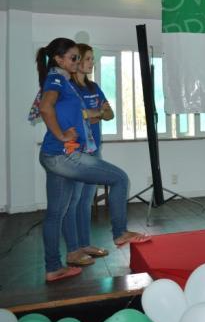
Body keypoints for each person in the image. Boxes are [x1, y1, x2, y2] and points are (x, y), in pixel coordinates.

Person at [36, 38, 149, 283]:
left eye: (79, 57)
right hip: (62, 154)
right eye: (73, 57)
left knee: (56, 213)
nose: (77, 61)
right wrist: (61, 135)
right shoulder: (57, 79)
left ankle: (53, 267)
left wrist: (81, 121)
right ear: (58, 59)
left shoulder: (65, 81)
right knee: (120, 179)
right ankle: (120, 232)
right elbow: (45, 108)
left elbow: (96, 113)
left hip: (56, 154)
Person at [62, 44, 114, 267]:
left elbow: (110, 114)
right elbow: (75, 115)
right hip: (76, 151)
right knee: (72, 202)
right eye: (89, 58)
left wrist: (95, 113)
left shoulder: (94, 87)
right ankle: (73, 250)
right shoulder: (68, 87)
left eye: (93, 59)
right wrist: (92, 113)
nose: (92, 62)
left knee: (85, 202)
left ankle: (85, 245)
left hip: (94, 150)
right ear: (78, 61)